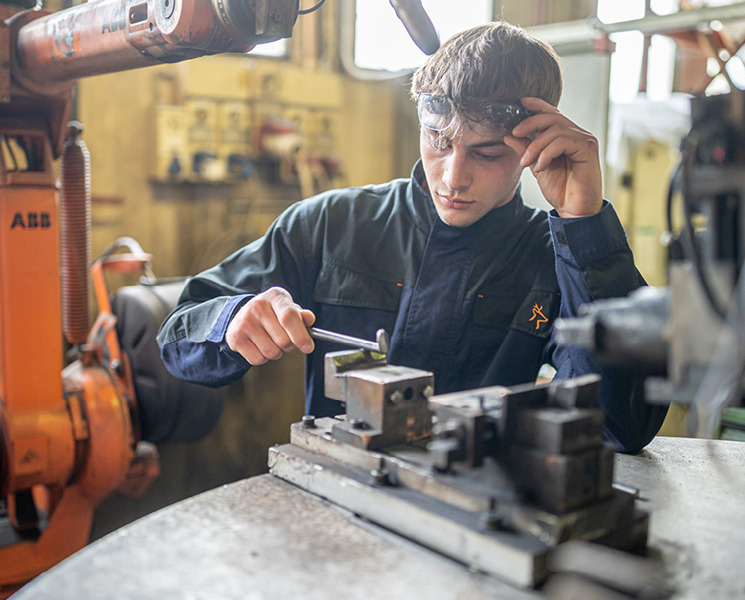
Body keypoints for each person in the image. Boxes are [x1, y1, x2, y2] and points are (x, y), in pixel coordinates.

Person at [157, 21, 668, 454]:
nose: (452, 177)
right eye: (439, 142)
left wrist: (583, 223)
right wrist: (231, 321)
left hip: (479, 519)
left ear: (535, 145)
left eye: (487, 154)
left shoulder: (553, 256)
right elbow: (177, 335)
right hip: (338, 499)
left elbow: (621, 426)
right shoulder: (332, 224)